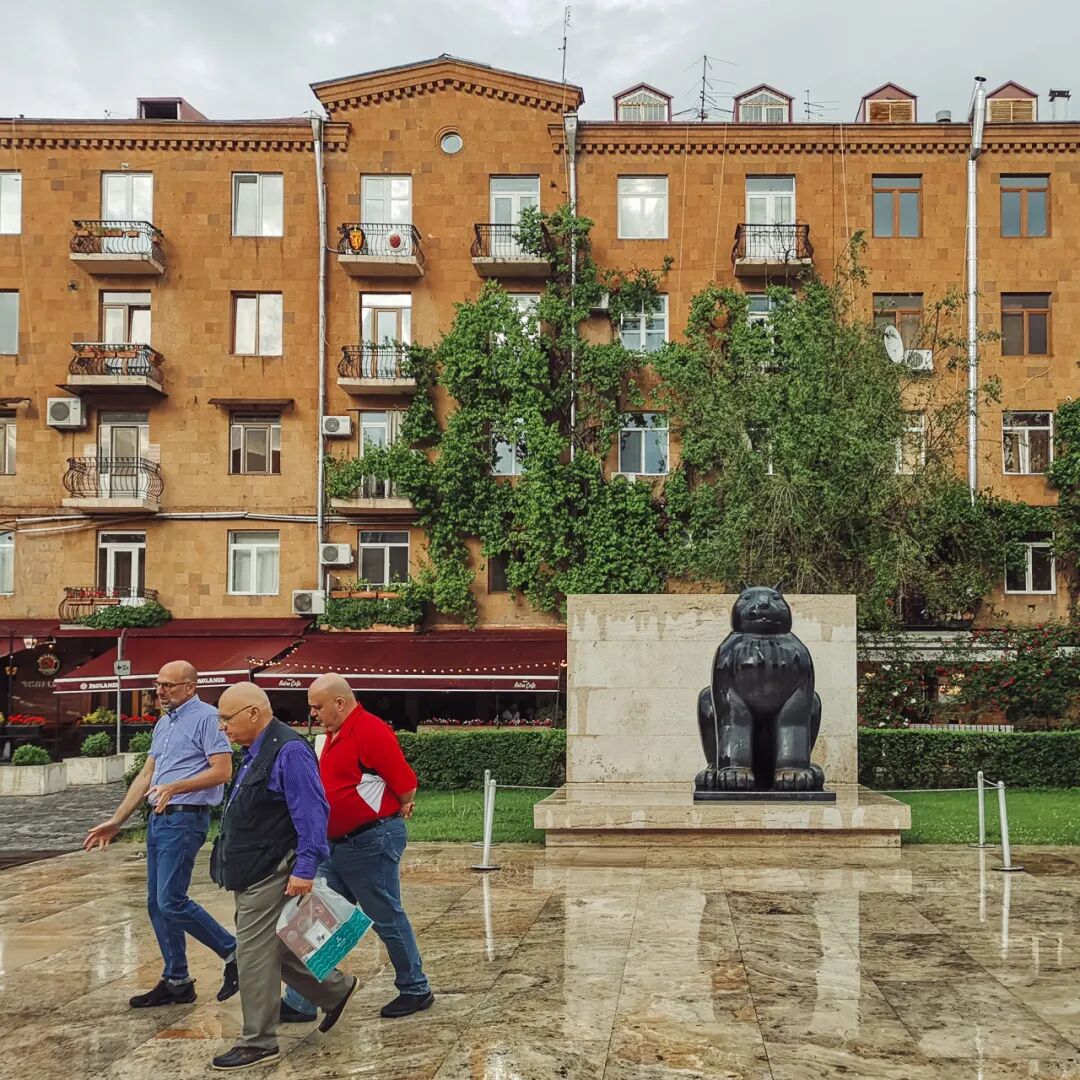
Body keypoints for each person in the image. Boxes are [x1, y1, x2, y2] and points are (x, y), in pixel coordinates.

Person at [208, 681, 357, 1072]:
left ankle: (258, 1040)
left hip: (272, 870)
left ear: (253, 713)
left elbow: (312, 811)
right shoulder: (256, 750)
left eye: (226, 718)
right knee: (274, 946)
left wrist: (305, 868)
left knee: (252, 954)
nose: (222, 726)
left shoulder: (288, 750)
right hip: (254, 869)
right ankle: (335, 990)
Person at [84, 661, 239, 1008]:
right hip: (159, 820)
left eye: (168, 685)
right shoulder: (164, 724)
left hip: (185, 819)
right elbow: (146, 777)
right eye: (158, 684)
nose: (160, 691)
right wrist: (117, 820)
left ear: (190, 686)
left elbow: (223, 771)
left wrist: (176, 786)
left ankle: (233, 952)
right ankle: (177, 980)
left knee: (171, 900)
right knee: (156, 904)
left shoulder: (207, 718)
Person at [281, 673, 433, 1024]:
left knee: (385, 915)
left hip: (369, 840)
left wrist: (399, 804)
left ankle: (416, 988)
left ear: (340, 702)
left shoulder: (370, 731)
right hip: (336, 844)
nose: (313, 713)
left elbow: (406, 783)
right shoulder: (332, 734)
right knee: (319, 917)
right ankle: (303, 1000)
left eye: (317, 706)